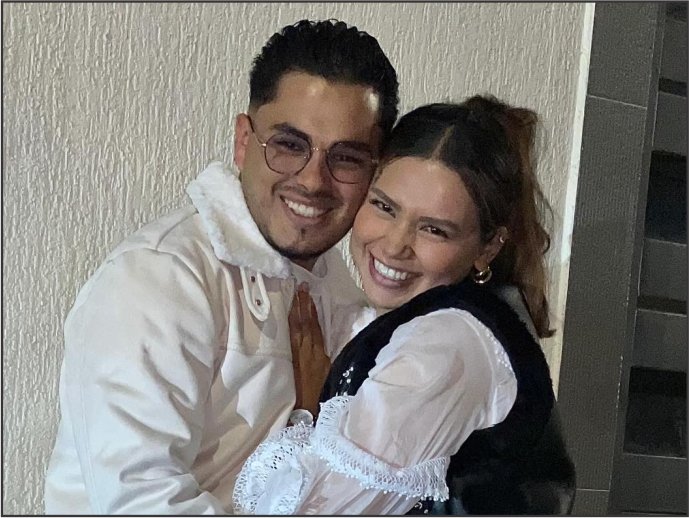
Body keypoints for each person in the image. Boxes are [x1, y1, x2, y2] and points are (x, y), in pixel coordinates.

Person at [44, 19, 399, 514]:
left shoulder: (338, 287)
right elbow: (140, 501)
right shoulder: (160, 277)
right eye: (289, 145)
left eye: (346, 158)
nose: (313, 181)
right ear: (243, 141)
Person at [233, 95, 576, 515]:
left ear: (488, 247)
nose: (395, 244)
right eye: (384, 207)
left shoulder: (444, 344)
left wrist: (309, 412)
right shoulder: (463, 321)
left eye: (434, 230)